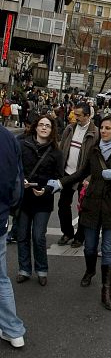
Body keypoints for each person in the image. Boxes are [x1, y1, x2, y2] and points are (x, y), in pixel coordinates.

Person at [50, 115, 111, 310]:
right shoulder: (94, 150)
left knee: (109, 249)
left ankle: (106, 290)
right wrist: (61, 183)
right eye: (102, 128)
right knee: (89, 247)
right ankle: (89, 271)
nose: (103, 131)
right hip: (92, 204)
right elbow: (81, 172)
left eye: (108, 128)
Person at [16, 116, 64, 286]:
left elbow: (60, 178)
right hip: (24, 198)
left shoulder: (56, 152)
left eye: (48, 126)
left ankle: (42, 270)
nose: (44, 128)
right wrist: (20, 181)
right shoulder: (22, 145)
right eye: (41, 125)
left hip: (43, 200)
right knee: (22, 236)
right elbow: (15, 168)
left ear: (52, 130)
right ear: (35, 127)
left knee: (38, 236)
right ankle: (24, 269)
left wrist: (47, 189)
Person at [57, 103, 98, 248]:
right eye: (75, 114)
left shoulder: (95, 133)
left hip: (84, 177)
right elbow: (61, 148)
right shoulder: (69, 129)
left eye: (79, 115)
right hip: (67, 173)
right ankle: (67, 232)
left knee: (83, 209)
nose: (75, 117)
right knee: (63, 205)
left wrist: (89, 178)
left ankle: (80, 237)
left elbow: (97, 158)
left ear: (87, 116)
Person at [0, 124, 26, 348]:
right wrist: (10, 210)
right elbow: (17, 183)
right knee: (1, 278)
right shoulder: (8, 138)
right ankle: (13, 330)